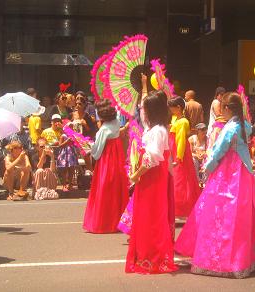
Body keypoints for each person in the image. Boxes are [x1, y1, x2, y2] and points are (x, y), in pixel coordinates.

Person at [175, 92, 255, 278]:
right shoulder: (245, 125)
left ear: (228, 109)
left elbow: (218, 151)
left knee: (219, 213)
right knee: (240, 215)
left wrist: (207, 167)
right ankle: (243, 258)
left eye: (222, 108)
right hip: (244, 173)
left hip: (228, 174)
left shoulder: (230, 129)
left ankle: (219, 258)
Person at [125, 90, 177, 274]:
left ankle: (153, 256)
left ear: (152, 111)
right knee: (149, 215)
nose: (142, 111)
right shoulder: (156, 129)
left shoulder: (157, 131)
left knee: (152, 216)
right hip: (152, 176)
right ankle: (148, 254)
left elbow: (153, 158)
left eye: (145, 108)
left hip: (152, 177)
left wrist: (136, 174)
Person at [83, 99, 129, 234]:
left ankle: (104, 222)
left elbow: (97, 151)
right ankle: (118, 221)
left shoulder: (103, 130)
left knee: (104, 188)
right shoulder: (115, 123)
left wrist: (88, 146)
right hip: (117, 157)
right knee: (116, 187)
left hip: (107, 160)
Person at [168, 96, 201, 217]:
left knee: (181, 179)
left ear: (178, 107)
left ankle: (181, 208)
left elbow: (181, 140)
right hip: (175, 150)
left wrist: (178, 157)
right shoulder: (177, 119)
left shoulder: (183, 121)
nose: (170, 110)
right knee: (181, 179)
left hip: (179, 152)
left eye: (172, 107)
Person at [72, 95, 97, 173]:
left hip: (84, 140)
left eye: (80, 104)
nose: (78, 105)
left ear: (84, 105)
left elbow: (92, 131)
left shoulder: (87, 116)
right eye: (76, 104)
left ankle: (90, 174)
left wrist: (85, 124)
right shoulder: (72, 114)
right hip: (73, 140)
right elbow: (67, 128)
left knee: (86, 156)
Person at [57, 123, 79, 192]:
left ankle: (70, 185)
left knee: (71, 169)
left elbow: (76, 145)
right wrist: (67, 141)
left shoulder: (73, 136)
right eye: (69, 127)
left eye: (72, 128)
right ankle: (64, 185)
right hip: (65, 154)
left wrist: (74, 142)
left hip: (72, 153)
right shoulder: (63, 136)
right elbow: (60, 146)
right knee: (64, 170)